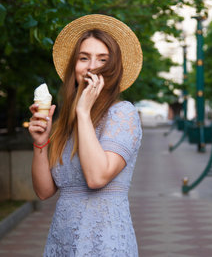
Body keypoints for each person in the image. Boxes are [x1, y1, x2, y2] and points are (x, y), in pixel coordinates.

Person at [28, 14, 143, 256]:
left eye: (103, 59)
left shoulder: (123, 114)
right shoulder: (66, 123)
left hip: (105, 243)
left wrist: (82, 110)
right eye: (84, 58)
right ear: (74, 67)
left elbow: (97, 178)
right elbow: (44, 191)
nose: (92, 66)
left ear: (113, 68)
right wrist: (41, 143)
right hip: (63, 241)